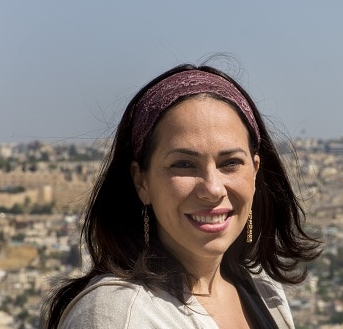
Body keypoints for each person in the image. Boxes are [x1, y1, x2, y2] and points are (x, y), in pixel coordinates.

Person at [43, 63, 321, 328]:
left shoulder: (263, 290)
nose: (213, 189)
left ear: (255, 171)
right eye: (184, 164)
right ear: (141, 181)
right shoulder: (118, 315)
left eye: (230, 163)